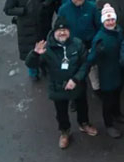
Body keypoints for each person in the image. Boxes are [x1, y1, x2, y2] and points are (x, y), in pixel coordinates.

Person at [26, 16, 97, 149]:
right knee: (61, 112)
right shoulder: (46, 47)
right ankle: (65, 132)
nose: (62, 32)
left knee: (82, 106)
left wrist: (76, 79)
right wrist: (35, 54)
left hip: (77, 84)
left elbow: (85, 64)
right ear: (54, 32)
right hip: (57, 87)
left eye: (65, 30)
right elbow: (30, 64)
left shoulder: (77, 44)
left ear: (69, 31)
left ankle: (84, 124)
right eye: (59, 30)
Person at [88, 4, 124, 138]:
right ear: (103, 22)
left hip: (119, 70)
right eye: (107, 20)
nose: (110, 22)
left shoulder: (118, 30)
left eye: (112, 20)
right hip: (107, 74)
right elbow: (91, 58)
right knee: (108, 101)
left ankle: (117, 114)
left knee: (117, 95)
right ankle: (109, 124)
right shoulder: (100, 38)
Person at [4, 0, 48, 79]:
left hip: (39, 24)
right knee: (29, 51)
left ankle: (44, 67)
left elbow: (45, 0)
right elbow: (7, 9)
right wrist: (22, 11)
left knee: (42, 47)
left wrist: (43, 6)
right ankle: (33, 73)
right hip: (25, 28)